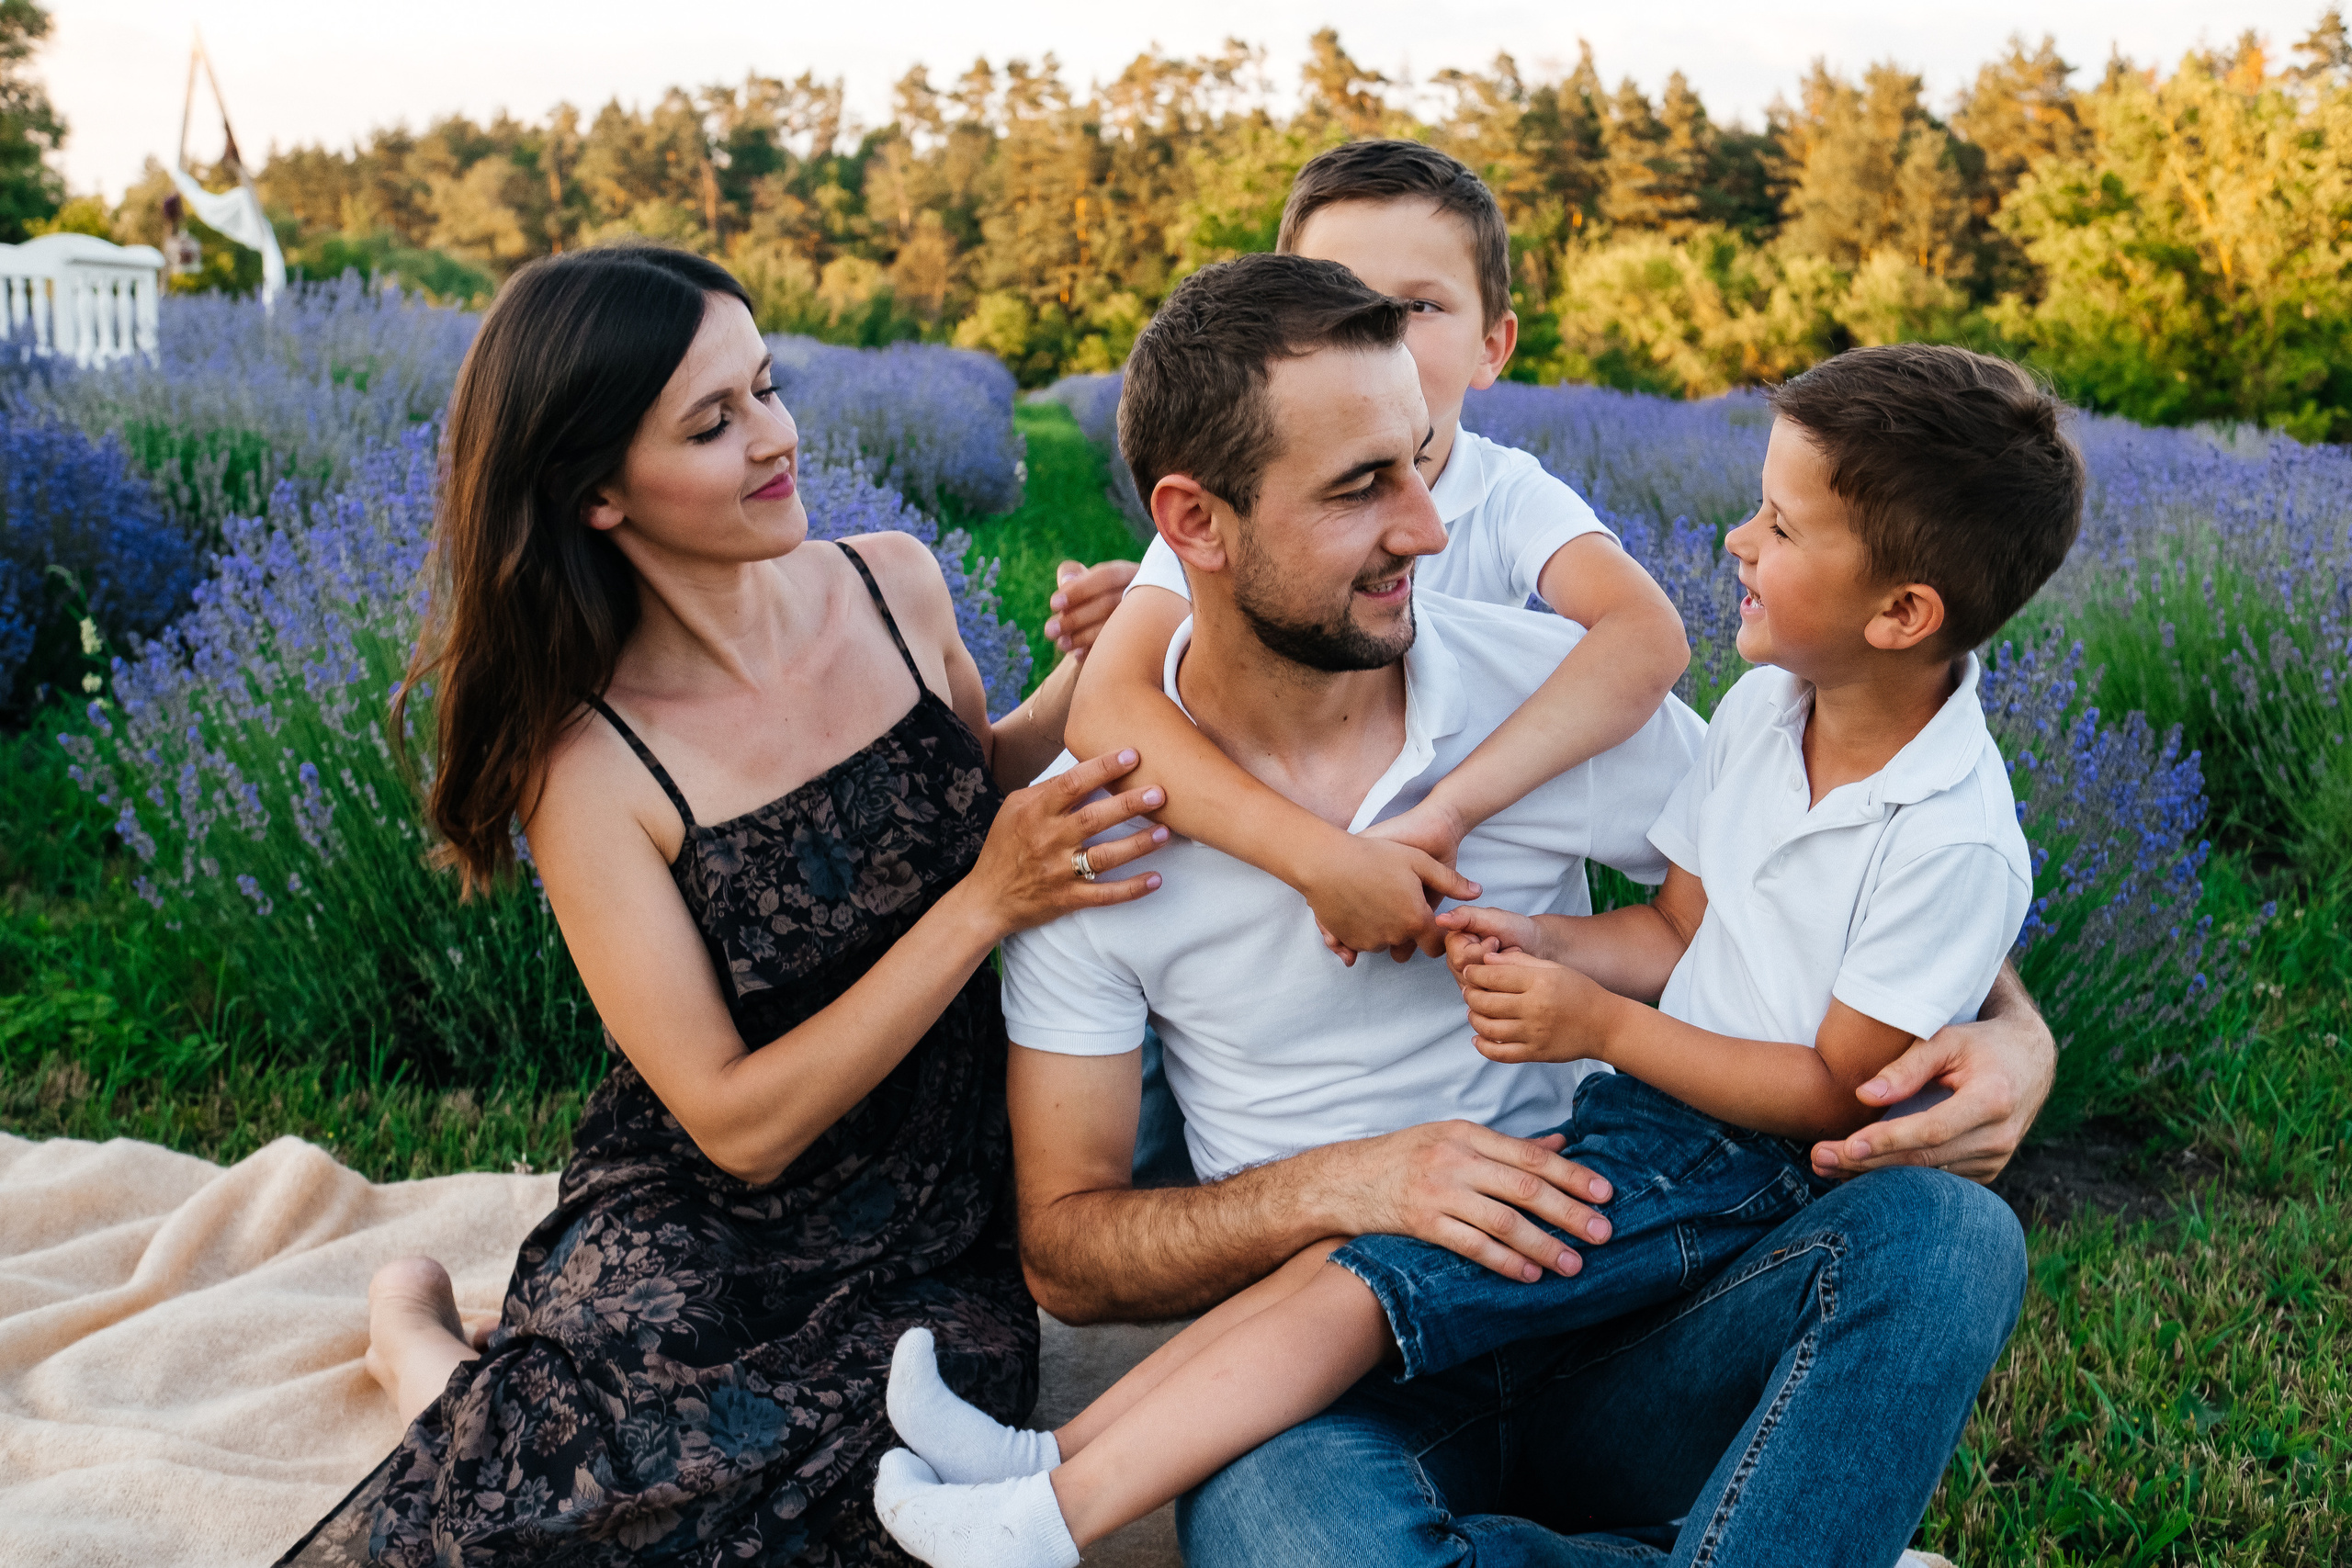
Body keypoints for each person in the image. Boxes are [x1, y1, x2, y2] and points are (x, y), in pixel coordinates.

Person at [876, 253, 2051, 1567]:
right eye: (1360, 485)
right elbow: (1071, 1256)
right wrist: (1357, 1183)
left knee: (1947, 1236)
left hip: (1630, 1309)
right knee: (1315, 1541)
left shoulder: (1554, 702)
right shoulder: (1092, 835)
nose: (1432, 528)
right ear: (1194, 523)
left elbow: (1833, 882)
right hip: (1334, 1403)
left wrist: (2012, 1027)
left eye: (1421, 463)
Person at [275, 244, 1166, 1568]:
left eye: (766, 386)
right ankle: (420, 1342)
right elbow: (737, 1125)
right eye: (713, 422)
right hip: (705, 1197)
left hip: (932, 1193)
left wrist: (1091, 670)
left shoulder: (893, 581)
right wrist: (984, 904)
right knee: (554, 1501)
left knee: (881, 1490)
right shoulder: (590, 767)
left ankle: (445, 1367)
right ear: (595, 496)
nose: (775, 438)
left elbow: (966, 780)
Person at [1064, 140, 1690, 965]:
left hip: (1467, 916)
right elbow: (1106, 706)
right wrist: (1321, 859)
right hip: (1257, 917)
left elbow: (1646, 634)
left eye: (1421, 305)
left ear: (1494, 345)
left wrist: (1455, 806)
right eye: (1340, 292)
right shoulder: (1236, 519)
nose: (1380, 327)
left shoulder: (1505, 493)